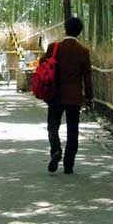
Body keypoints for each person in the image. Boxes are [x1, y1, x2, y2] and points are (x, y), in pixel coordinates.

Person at [41, 16, 93, 174]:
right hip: (74, 96)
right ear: (79, 32)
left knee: (53, 126)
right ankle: (69, 164)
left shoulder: (54, 48)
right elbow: (87, 77)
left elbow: (42, 63)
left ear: (65, 29)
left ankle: (56, 150)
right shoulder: (83, 52)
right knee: (72, 130)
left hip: (55, 95)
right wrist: (89, 97)